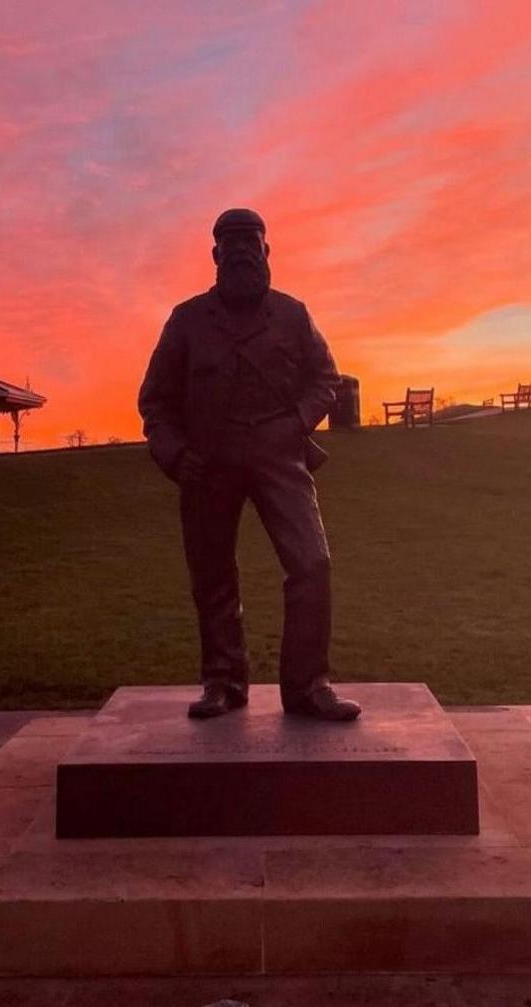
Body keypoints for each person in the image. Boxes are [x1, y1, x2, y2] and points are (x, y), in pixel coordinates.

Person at [138, 208, 361, 721]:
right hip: (208, 463)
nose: (241, 251)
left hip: (279, 455)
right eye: (230, 244)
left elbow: (325, 379)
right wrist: (174, 454)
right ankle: (223, 681)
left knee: (312, 564)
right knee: (212, 575)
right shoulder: (187, 320)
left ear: (267, 251)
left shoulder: (292, 314)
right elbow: (155, 399)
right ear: (215, 256)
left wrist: (297, 424)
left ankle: (308, 685)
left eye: (250, 242)